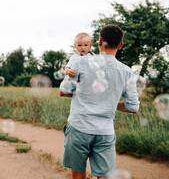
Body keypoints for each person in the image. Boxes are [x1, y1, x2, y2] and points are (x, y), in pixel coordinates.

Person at [59, 24, 140, 179]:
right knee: (105, 176)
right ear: (120, 44)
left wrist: (85, 95)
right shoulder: (128, 72)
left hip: (79, 126)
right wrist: (108, 103)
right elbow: (133, 107)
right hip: (105, 132)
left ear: (99, 41)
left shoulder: (79, 62)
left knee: (78, 173)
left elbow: (63, 91)